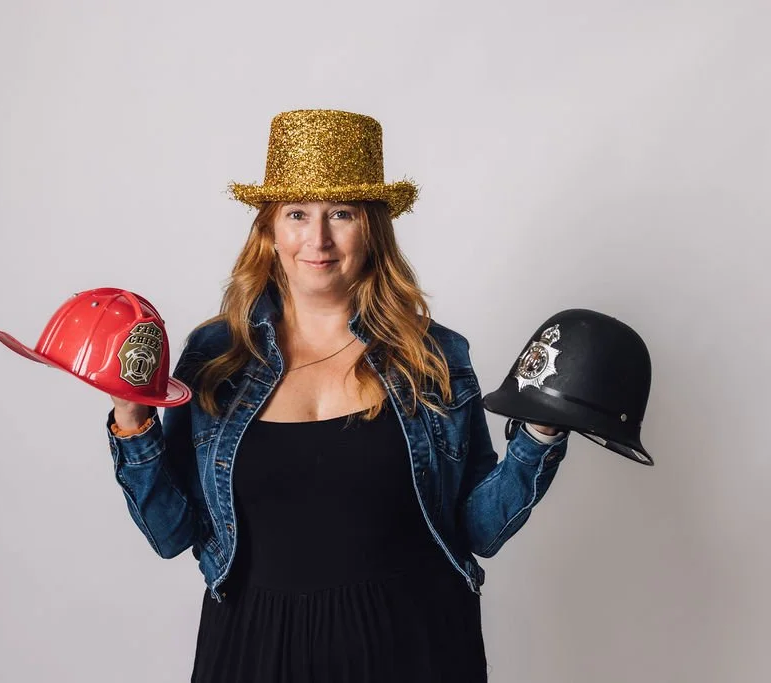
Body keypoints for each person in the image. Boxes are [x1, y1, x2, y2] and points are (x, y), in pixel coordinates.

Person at [104, 109, 570, 682]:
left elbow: (479, 530)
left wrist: (540, 433)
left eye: (341, 213)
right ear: (270, 231)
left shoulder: (433, 355)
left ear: (371, 228)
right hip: (254, 647)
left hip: (414, 644)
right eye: (297, 213)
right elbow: (171, 533)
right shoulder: (217, 356)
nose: (318, 239)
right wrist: (132, 416)